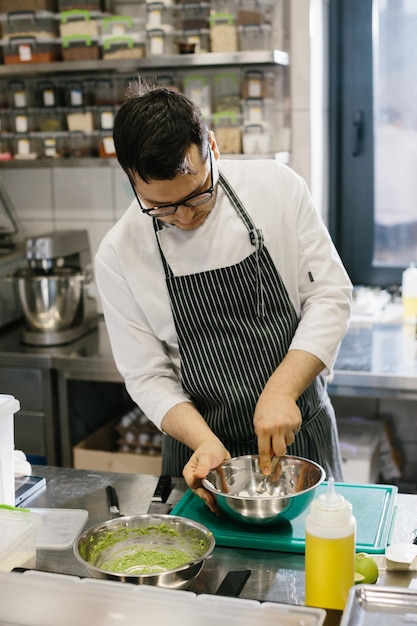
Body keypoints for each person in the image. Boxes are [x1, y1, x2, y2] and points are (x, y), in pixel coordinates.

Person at [95, 84, 352, 509]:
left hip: (299, 435)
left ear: (211, 146)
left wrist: (282, 390)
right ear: (131, 180)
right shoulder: (118, 253)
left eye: (197, 195)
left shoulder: (277, 188)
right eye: (160, 208)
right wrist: (205, 442)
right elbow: (147, 375)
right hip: (201, 455)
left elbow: (330, 295)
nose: (184, 217)